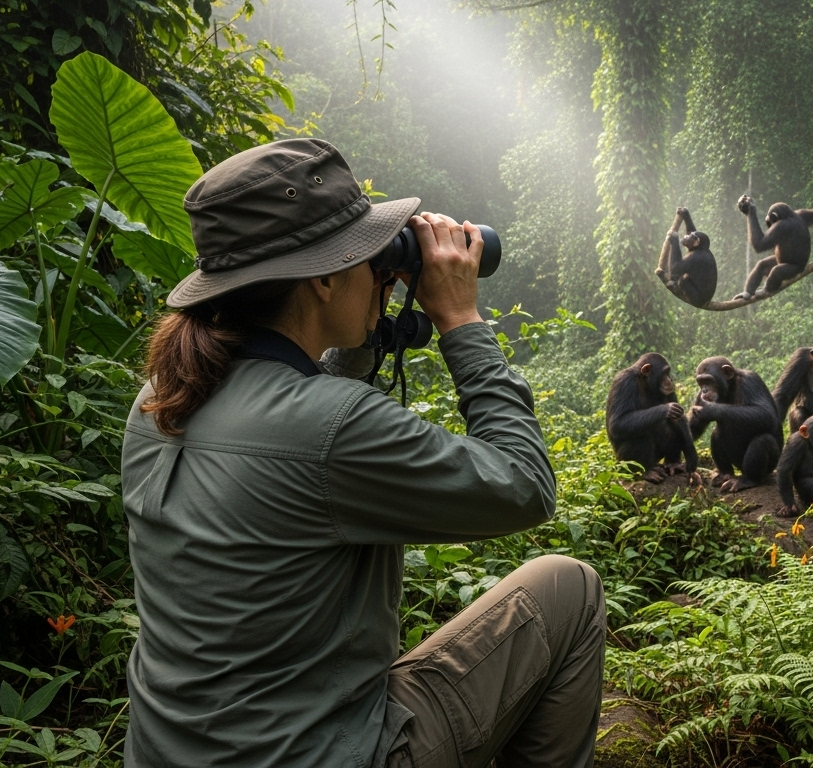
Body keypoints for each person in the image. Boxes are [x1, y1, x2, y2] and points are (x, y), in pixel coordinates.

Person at [121, 138, 604, 768]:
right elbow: (524, 485)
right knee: (569, 587)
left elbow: (302, 433)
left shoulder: (161, 397)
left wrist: (362, 334)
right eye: (362, 253)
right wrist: (461, 320)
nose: (375, 267)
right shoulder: (329, 426)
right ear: (323, 277)